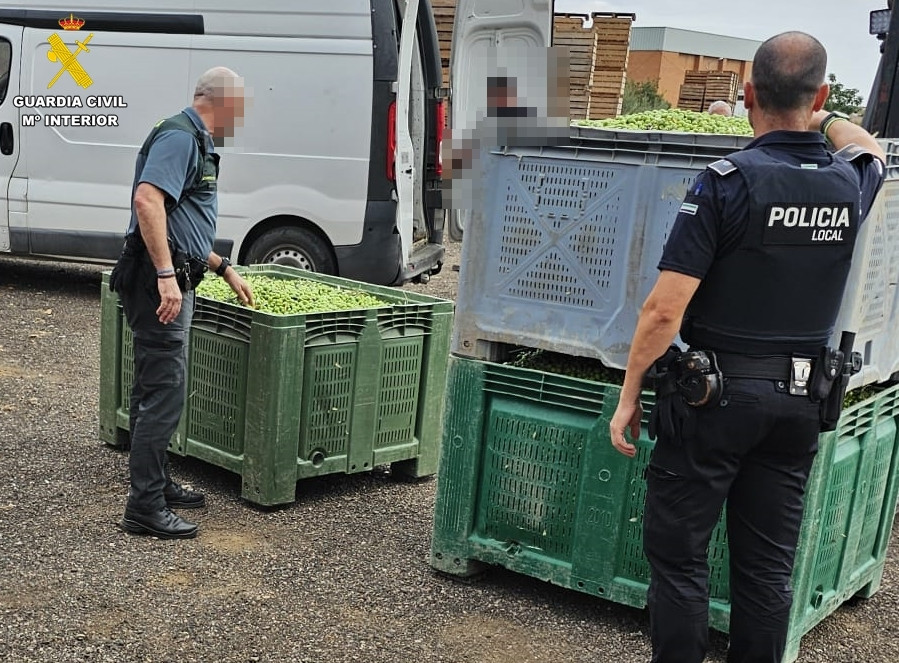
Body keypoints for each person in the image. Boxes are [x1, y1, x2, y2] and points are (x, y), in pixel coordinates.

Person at [609, 32, 885, 663]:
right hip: (799, 406)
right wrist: (829, 117)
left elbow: (663, 311)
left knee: (679, 558)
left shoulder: (725, 183)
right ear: (818, 94)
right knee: (765, 571)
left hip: (713, 403)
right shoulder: (847, 185)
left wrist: (629, 395)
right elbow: (870, 151)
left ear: (747, 93)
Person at [110, 67, 254, 540]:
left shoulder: (193, 138)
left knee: (155, 387)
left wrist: (222, 267)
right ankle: (144, 507)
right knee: (164, 391)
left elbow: (182, 221)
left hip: (171, 276)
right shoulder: (181, 137)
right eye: (241, 105)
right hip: (159, 284)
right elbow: (148, 202)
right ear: (222, 101)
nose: (242, 116)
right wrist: (167, 276)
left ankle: (155, 484)